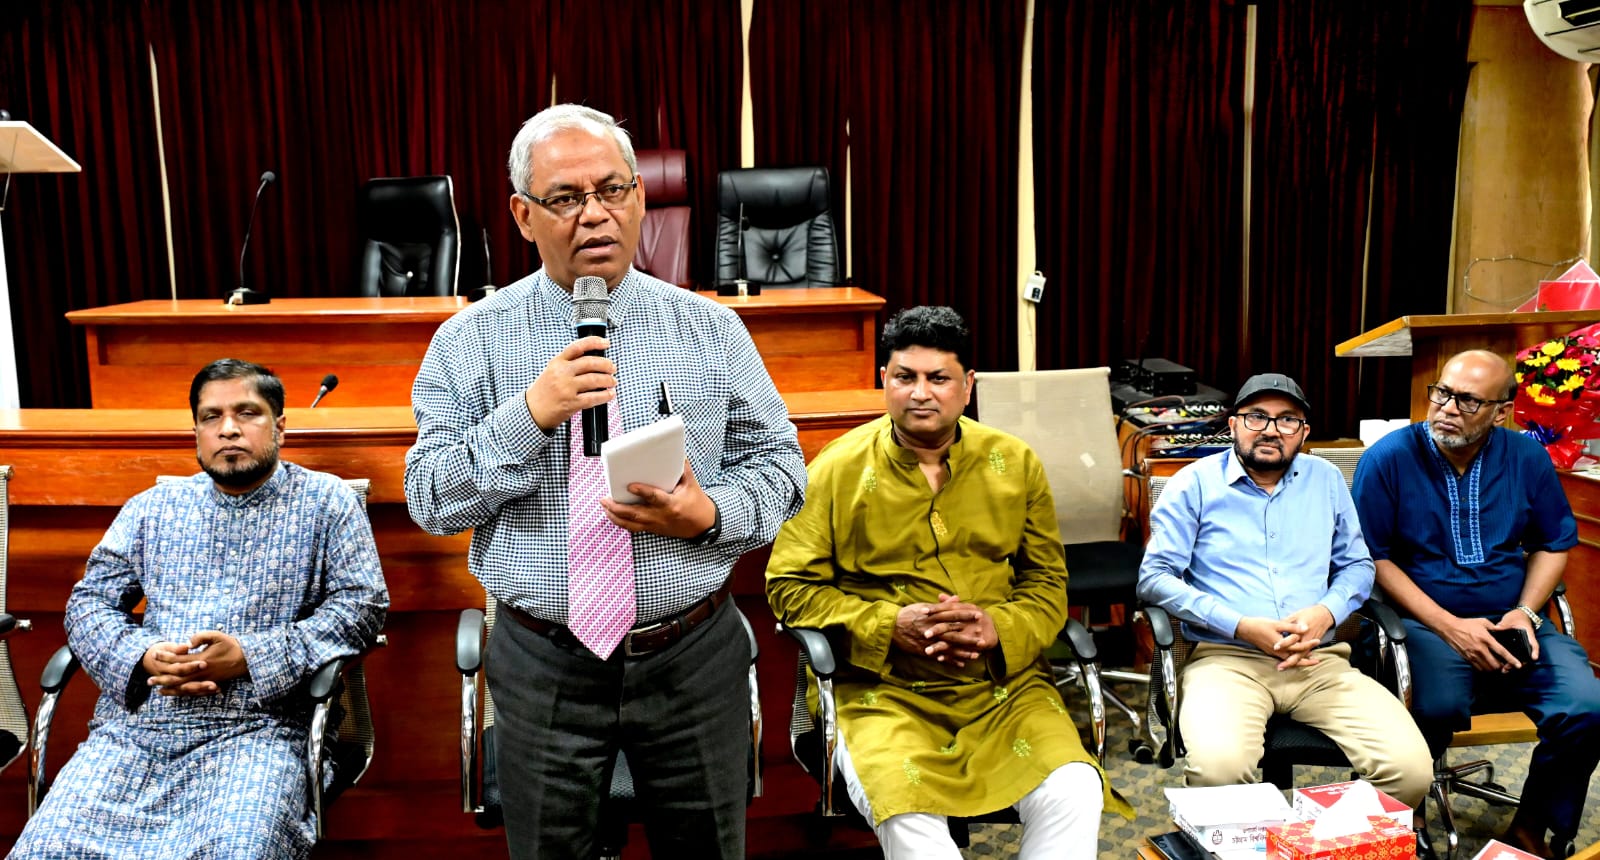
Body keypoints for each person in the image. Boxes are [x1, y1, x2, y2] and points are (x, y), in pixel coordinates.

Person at [404, 103, 806, 858]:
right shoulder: (468, 340)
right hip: (544, 662)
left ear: (640, 197)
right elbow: (430, 498)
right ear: (523, 216)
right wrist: (529, 415)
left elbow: (782, 469)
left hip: (690, 653)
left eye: (613, 190)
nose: (595, 214)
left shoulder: (712, 329)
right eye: (565, 198)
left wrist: (709, 514)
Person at [766, 306, 1131, 860]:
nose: (920, 393)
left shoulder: (1015, 463)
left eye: (938, 378)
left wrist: (996, 627)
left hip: (1003, 689)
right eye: (905, 377)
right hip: (881, 693)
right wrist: (890, 625)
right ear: (883, 380)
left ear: (968, 385)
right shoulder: (835, 470)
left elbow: (1047, 582)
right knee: (907, 811)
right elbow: (790, 588)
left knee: (1075, 789)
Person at [12, 359, 388, 859]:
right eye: (212, 417)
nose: (228, 429)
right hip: (136, 732)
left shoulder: (327, 502)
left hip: (262, 732)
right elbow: (89, 603)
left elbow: (362, 607)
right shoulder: (153, 507)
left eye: (246, 413)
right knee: (46, 847)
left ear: (280, 426)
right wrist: (144, 656)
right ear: (196, 432)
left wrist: (250, 656)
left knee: (239, 849)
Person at [1137, 372, 1432, 811]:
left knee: (1410, 771)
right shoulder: (1193, 483)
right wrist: (1240, 625)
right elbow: (1154, 577)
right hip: (1227, 661)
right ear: (1233, 425)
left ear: (1304, 432)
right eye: (1256, 416)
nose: (1271, 429)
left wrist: (1326, 612)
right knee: (1219, 771)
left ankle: (1324, 841)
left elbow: (1357, 566)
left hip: (1320, 663)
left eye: (1287, 419)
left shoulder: (1326, 479)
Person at [1352, 349, 1600, 857]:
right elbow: (1371, 557)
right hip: (1423, 623)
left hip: (1514, 619)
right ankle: (1405, 819)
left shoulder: (1527, 457)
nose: (1446, 408)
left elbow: (1554, 543)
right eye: (1442, 393)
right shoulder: (1389, 458)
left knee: (1587, 707)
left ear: (1501, 411)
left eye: (1467, 401)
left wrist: (1525, 612)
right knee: (1435, 703)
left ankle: (1530, 828)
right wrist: (1449, 625)